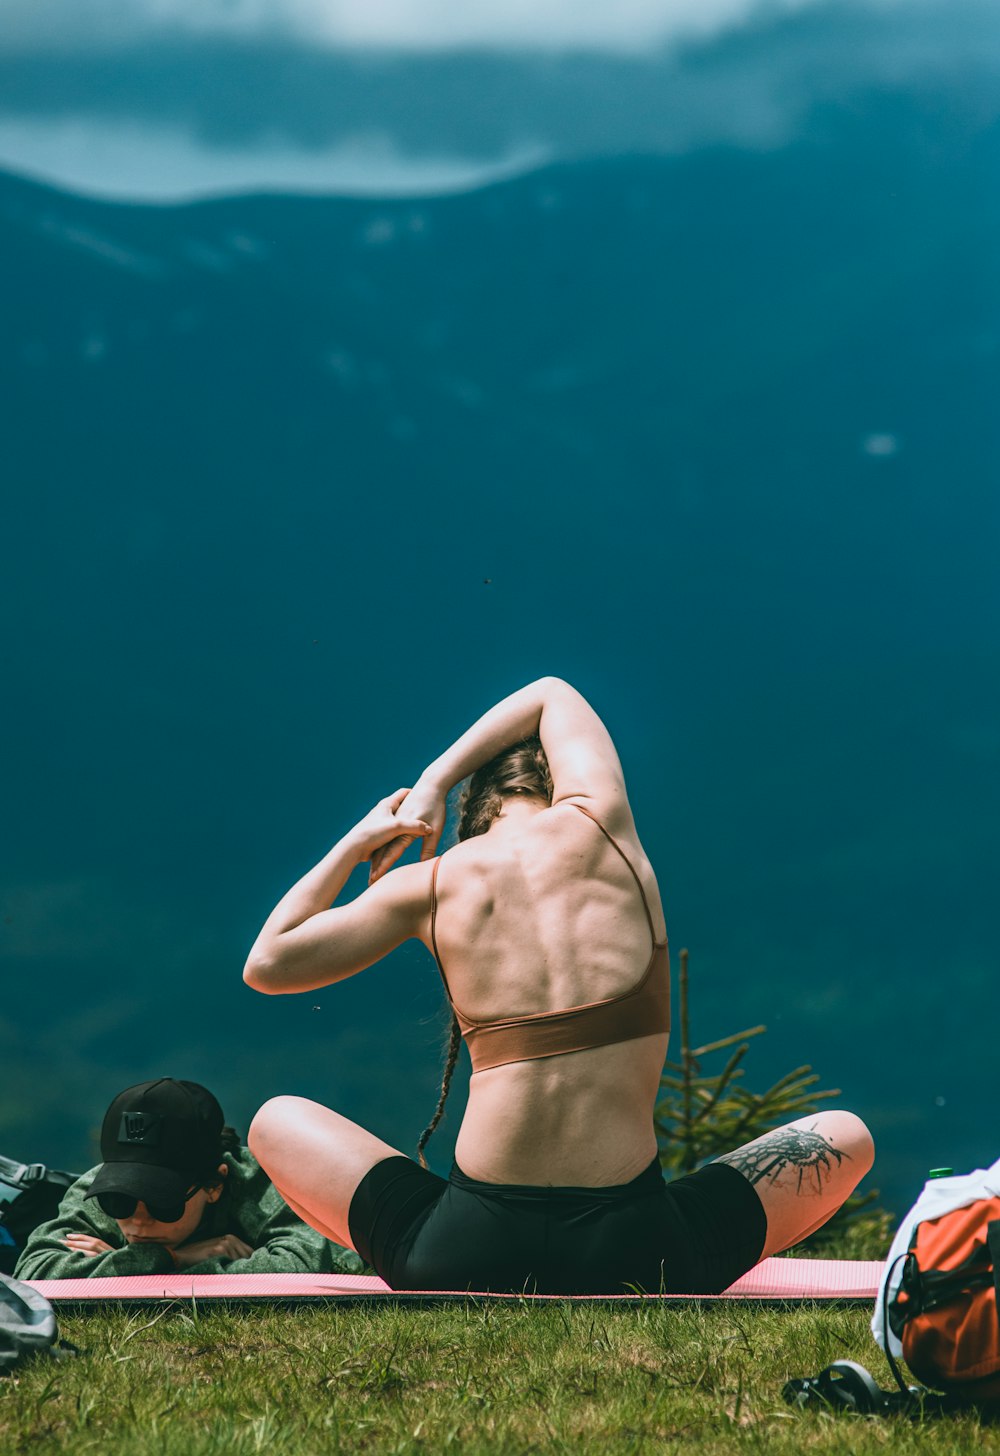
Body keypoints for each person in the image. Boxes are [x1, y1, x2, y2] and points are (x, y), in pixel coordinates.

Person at [243, 677, 874, 1294]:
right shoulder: (604, 830)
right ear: (561, 781)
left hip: (462, 1251)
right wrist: (438, 779)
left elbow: (267, 965)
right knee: (847, 1135)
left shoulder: (430, 884)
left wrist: (360, 843)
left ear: (476, 811)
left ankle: (410, 1260)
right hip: (640, 1252)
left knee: (275, 1120)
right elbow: (550, 692)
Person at [15, 1077, 363, 1279]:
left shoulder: (260, 1185)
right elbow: (35, 1271)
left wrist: (116, 1267)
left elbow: (308, 1265)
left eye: (159, 1201)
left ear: (215, 1185)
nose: (137, 1220)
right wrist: (176, 1257)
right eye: (118, 1200)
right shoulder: (99, 1183)